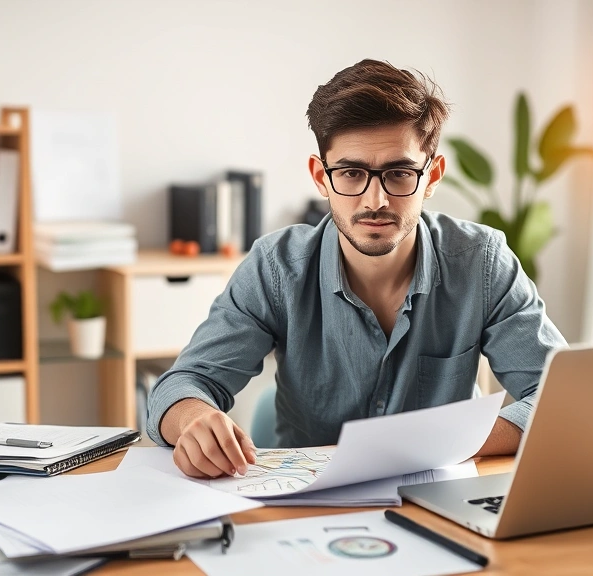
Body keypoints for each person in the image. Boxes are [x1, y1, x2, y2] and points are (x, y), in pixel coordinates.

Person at [147, 59, 566, 479]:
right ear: (321, 176)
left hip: (441, 502)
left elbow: (561, 398)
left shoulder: (482, 262)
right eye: (351, 173)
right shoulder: (275, 269)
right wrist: (192, 420)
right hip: (311, 504)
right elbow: (181, 385)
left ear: (432, 176)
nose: (375, 201)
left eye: (399, 173)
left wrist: (447, 444)